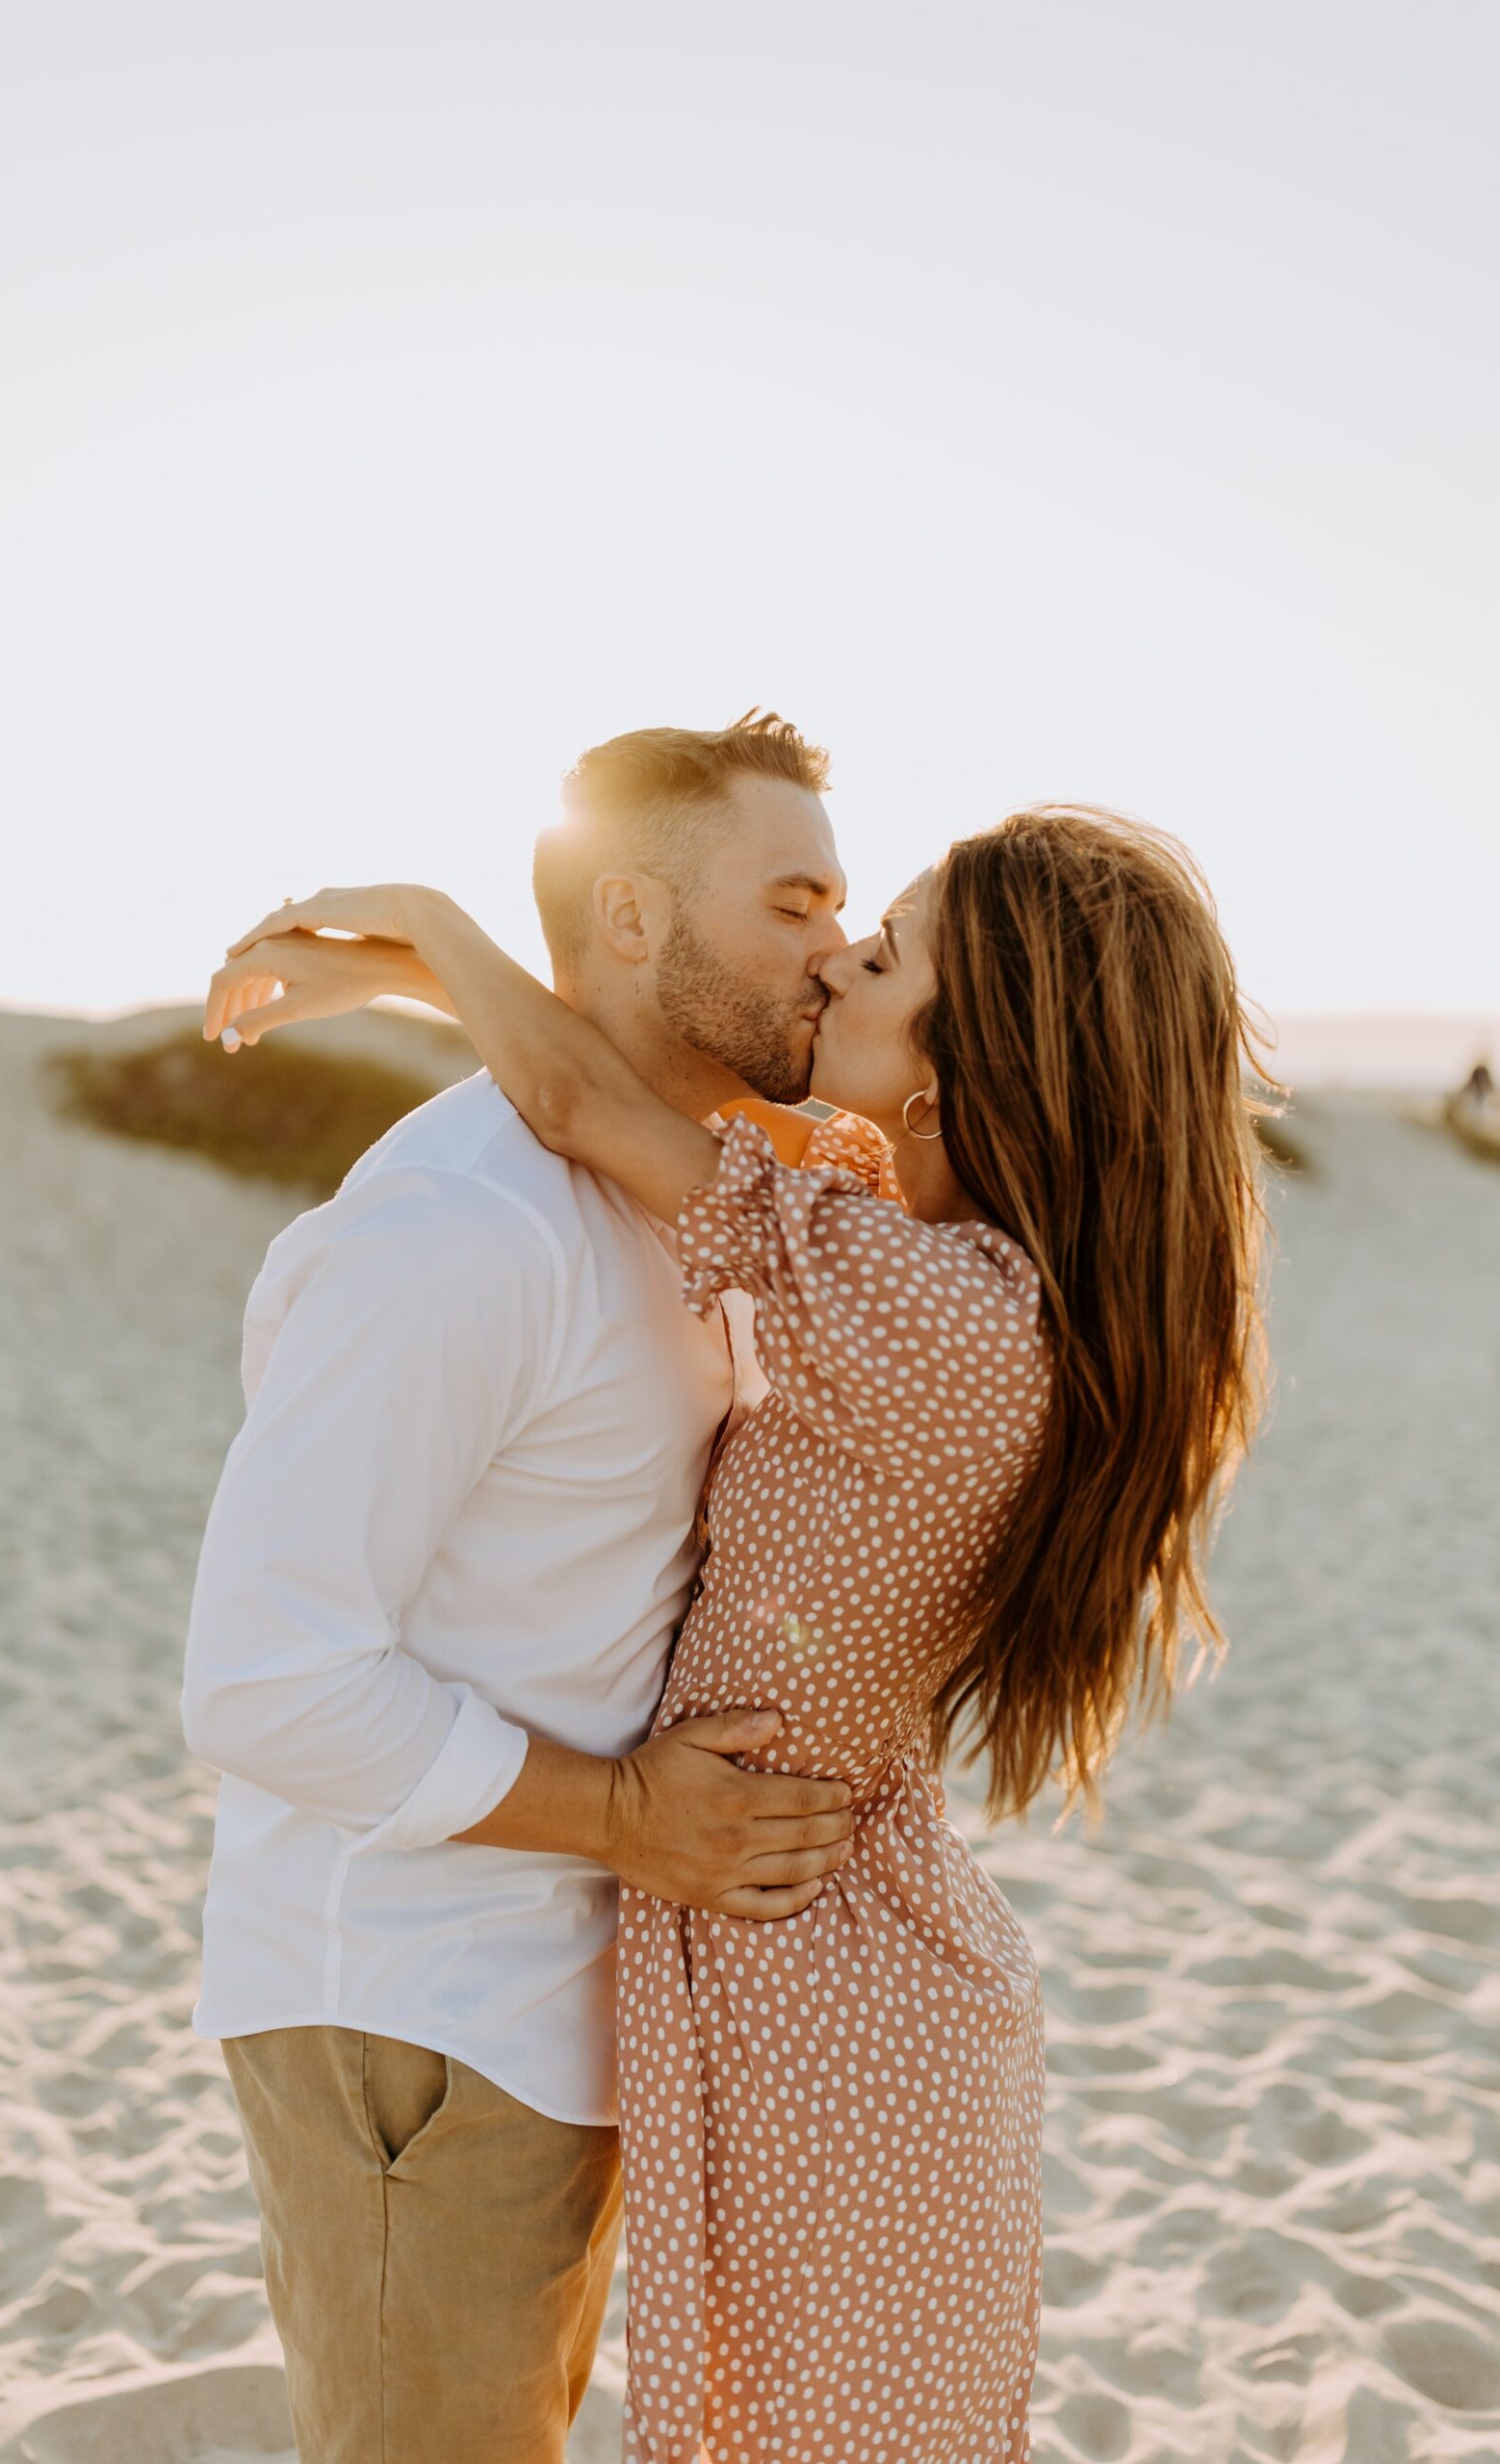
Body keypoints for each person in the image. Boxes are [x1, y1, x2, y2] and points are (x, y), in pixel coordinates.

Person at [212, 799, 1272, 2463]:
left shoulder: (916, 1305)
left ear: (966, 1050)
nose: (841, 957)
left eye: (886, 947)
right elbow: (629, 1084)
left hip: (815, 1967)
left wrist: (421, 912)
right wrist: (426, 983)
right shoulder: (927, 1249)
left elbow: (576, 1099)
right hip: (799, 1936)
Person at [182, 713, 865, 2464]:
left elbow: (583, 1080)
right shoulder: (460, 1230)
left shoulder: (697, 1188)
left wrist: (422, 958)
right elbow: (265, 1681)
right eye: (794, 900)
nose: (838, 951)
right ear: (632, 921)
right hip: (409, 2018)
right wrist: (630, 1814)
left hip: (559, 1995)